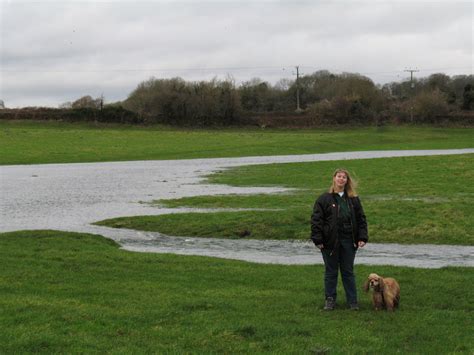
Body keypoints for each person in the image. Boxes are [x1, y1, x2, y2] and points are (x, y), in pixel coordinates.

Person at [310, 168, 368, 310]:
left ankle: (352, 302)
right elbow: (316, 220)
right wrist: (318, 240)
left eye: (344, 177)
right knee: (331, 271)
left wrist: (362, 237)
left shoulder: (353, 200)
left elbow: (361, 219)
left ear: (347, 181)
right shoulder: (324, 199)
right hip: (330, 242)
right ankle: (330, 300)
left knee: (348, 271)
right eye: (339, 176)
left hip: (349, 240)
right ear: (334, 178)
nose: (341, 179)